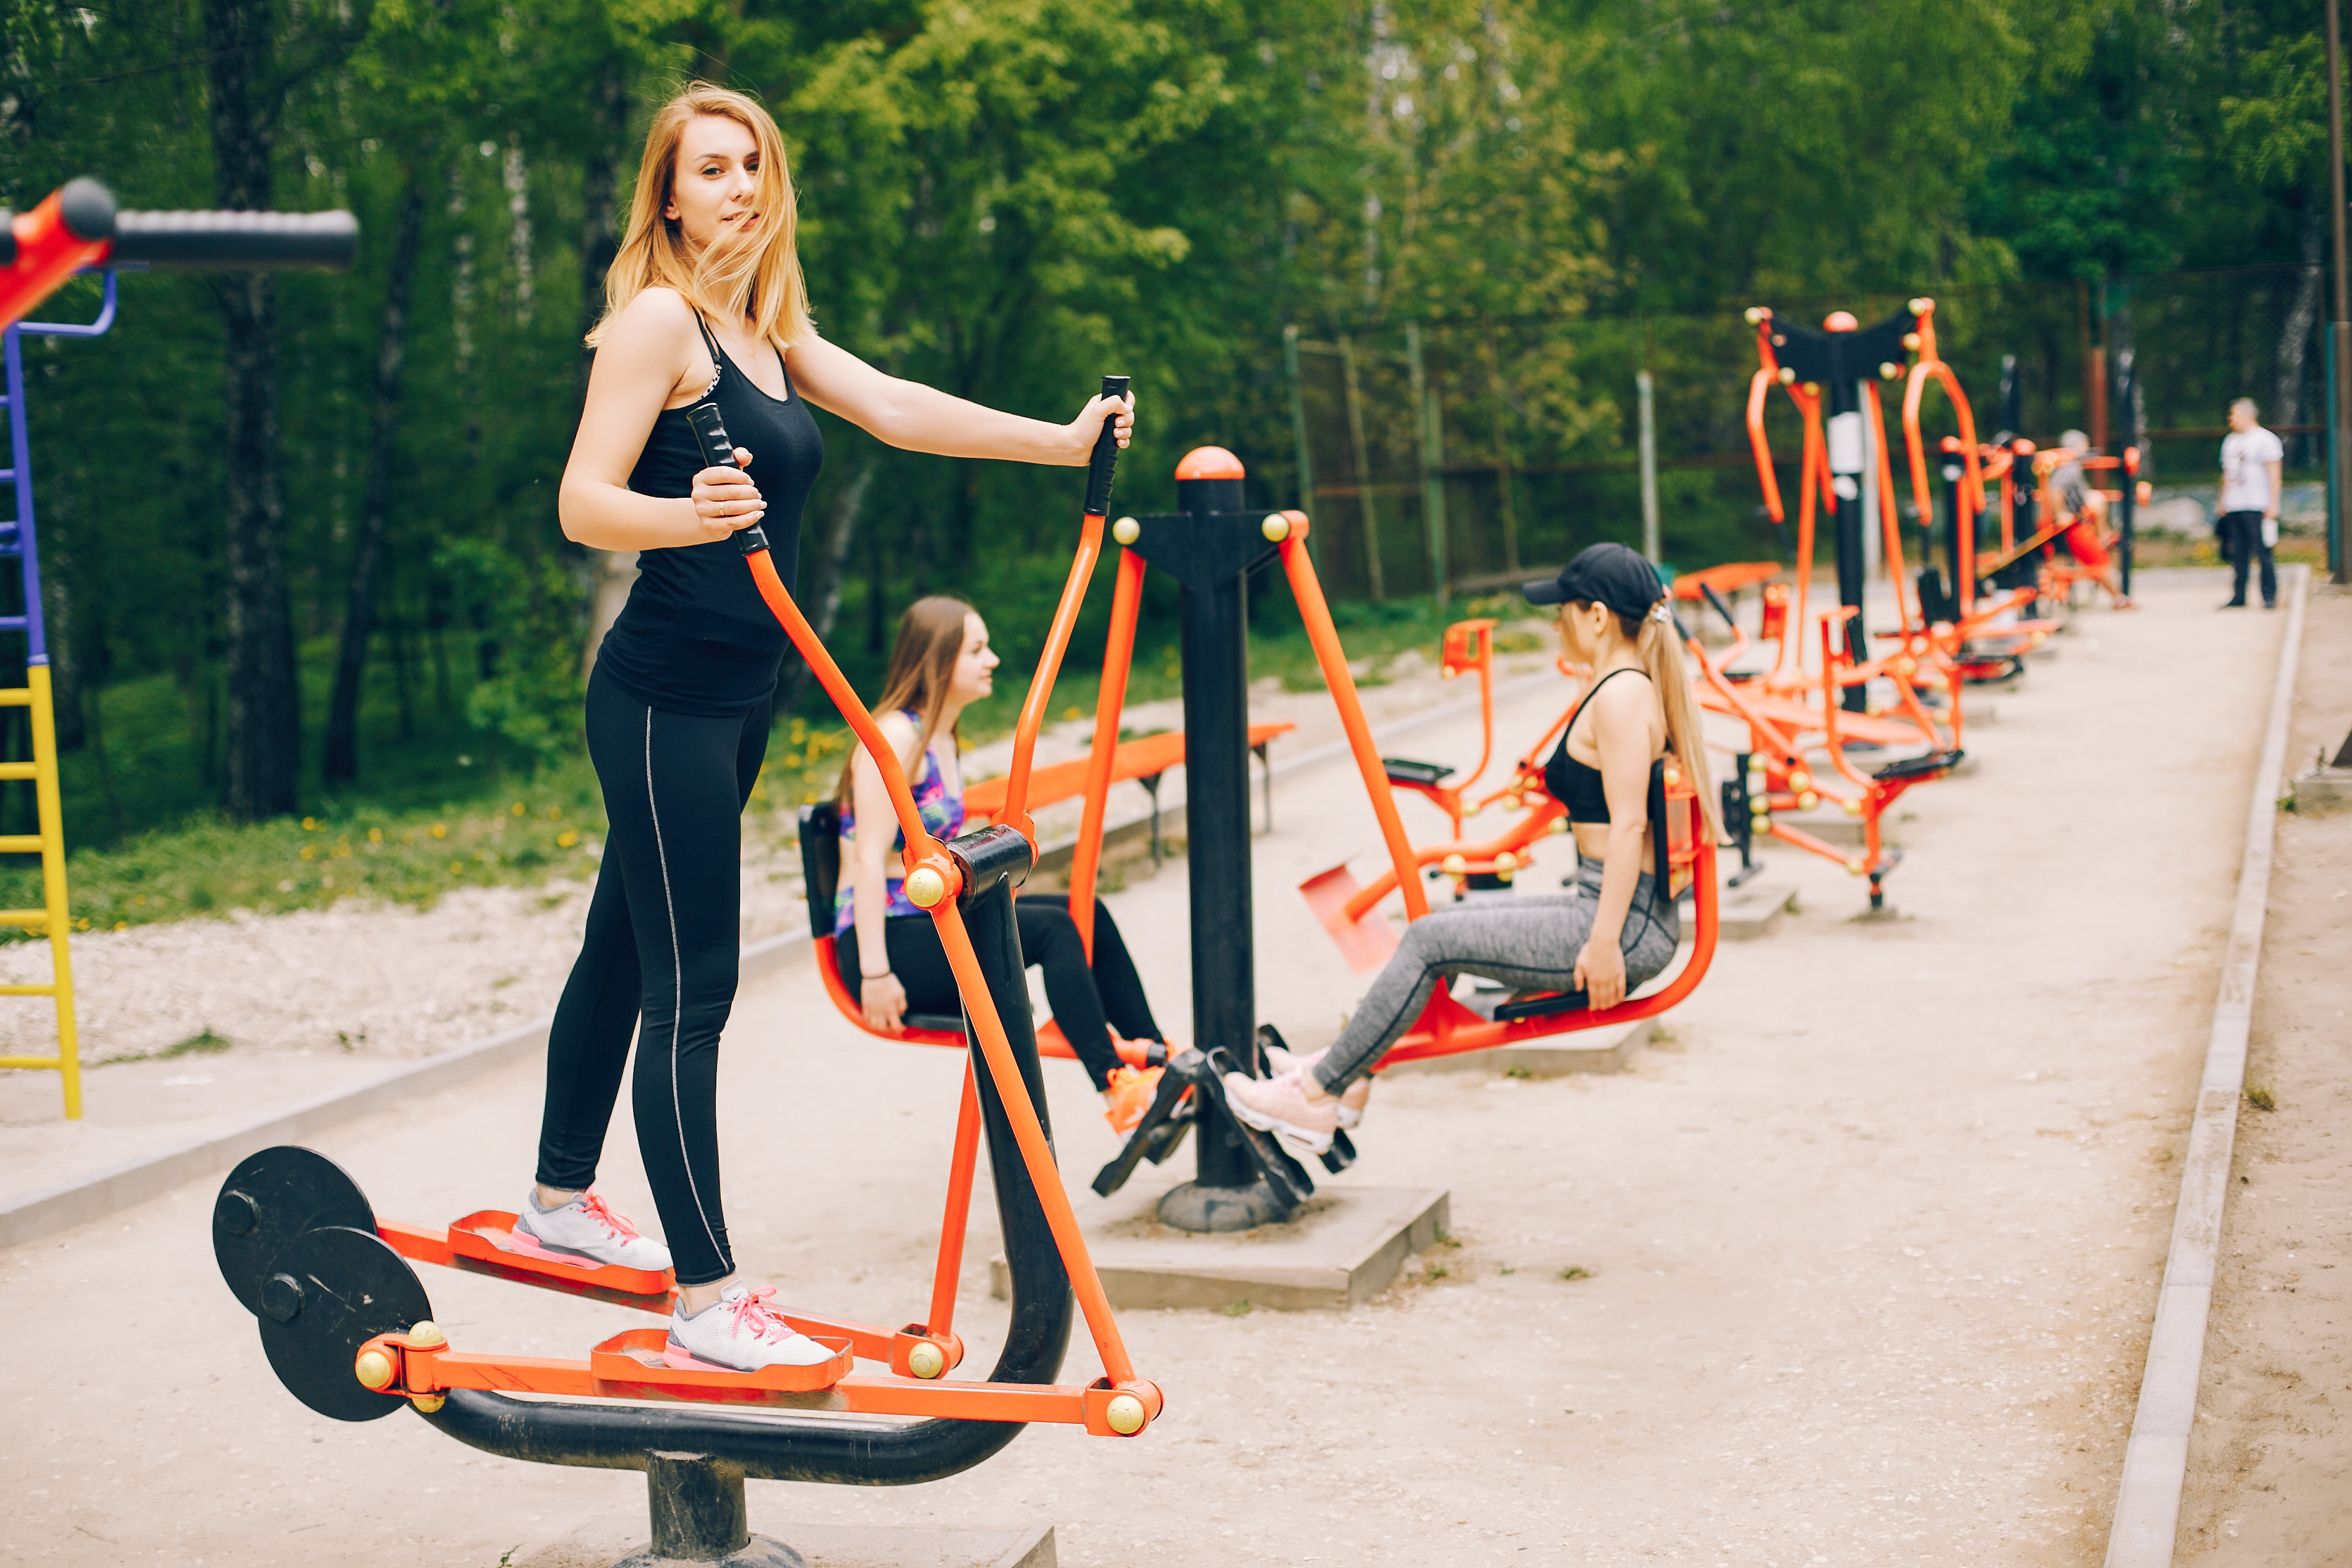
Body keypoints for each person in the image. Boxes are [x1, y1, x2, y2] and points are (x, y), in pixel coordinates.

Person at [516, 83, 1137, 1375]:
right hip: (661, 702)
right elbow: (581, 502)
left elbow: (900, 408)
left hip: (739, 702)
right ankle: (706, 1300)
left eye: (753, 163)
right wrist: (686, 517)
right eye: (711, 168)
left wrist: (1064, 443)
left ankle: (558, 1199)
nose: (739, 185)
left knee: (623, 948)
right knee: (694, 992)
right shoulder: (658, 321)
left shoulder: (765, 332)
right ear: (667, 197)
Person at [1224, 542, 1722, 1153]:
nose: (1556, 625)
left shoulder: (1621, 695)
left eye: (1562, 611)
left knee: (1429, 940)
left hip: (1619, 924)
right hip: (1612, 909)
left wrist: (1602, 946)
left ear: (1596, 616)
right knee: (1440, 930)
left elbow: (1629, 828)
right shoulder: (1622, 687)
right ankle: (1344, 1074)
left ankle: (1315, 1097)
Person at [833, 596, 1170, 1136]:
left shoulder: (941, 736)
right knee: (1054, 931)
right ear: (937, 661)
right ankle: (1116, 1085)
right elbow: (867, 860)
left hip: (931, 921)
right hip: (886, 940)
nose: (991, 660)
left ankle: (1157, 1063)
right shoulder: (895, 736)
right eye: (977, 650)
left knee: (1085, 912)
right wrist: (875, 973)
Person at [2047, 430, 2130, 608]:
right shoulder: (2070, 468)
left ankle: (2103, 535)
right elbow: (2056, 490)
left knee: (2098, 562)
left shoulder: (2070, 467)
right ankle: (2120, 599)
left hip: (2077, 524)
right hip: (2074, 527)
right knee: (2100, 563)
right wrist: (2060, 514)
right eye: (2084, 446)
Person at [2217, 397, 2283, 609]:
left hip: (2257, 505)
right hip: (2234, 505)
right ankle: (2239, 596)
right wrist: (2222, 501)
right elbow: (2226, 474)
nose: (2230, 419)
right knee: (2238, 553)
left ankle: (2269, 596)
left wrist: (2273, 504)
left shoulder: (2266, 440)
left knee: (2262, 552)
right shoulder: (2230, 441)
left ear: (2248, 415)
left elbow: (2274, 474)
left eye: (2234, 414)